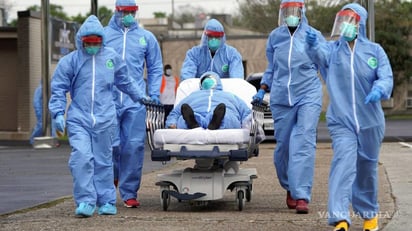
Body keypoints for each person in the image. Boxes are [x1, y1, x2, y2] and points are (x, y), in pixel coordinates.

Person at [305, 3, 393, 231]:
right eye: (342, 20)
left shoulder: (375, 51)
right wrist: (313, 46)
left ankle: (369, 214)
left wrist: (380, 89)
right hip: (341, 120)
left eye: (350, 21)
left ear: (360, 24)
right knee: (343, 164)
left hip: (370, 121)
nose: (346, 25)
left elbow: (386, 76)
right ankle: (340, 217)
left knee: (367, 169)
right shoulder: (333, 50)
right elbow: (319, 54)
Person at [48, 15, 146, 217]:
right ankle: (85, 201)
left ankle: (106, 201)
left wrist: (140, 96)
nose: (93, 45)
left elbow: (125, 81)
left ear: (102, 40)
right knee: (82, 158)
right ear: (81, 41)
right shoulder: (71, 61)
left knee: (103, 161)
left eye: (96, 42)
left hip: (105, 117)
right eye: (88, 42)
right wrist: (58, 112)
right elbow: (58, 88)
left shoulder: (111, 57)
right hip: (79, 118)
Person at [252, 0, 325, 214]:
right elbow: (272, 67)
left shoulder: (313, 35)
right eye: (288, 11)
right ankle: (289, 186)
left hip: (308, 94)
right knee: (283, 147)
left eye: (296, 11)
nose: (291, 15)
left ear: (302, 12)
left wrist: (317, 48)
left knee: (303, 142)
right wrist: (263, 87)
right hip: (281, 97)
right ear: (282, 13)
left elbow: (326, 61)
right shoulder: (276, 36)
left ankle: (301, 194)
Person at [104, 0, 163, 208]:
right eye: (124, 11)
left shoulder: (146, 38)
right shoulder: (104, 36)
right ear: (116, 11)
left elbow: (155, 67)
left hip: (136, 100)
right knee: (109, 145)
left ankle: (129, 192)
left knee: (134, 146)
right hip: (108, 99)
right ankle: (110, 181)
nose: (128, 15)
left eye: (132, 11)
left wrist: (153, 93)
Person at [166, 71, 251, 130]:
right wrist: (171, 124)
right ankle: (193, 121)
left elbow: (246, 112)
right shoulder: (192, 96)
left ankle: (211, 121)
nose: (208, 81)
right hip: (196, 112)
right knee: (183, 119)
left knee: (228, 117)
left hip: (223, 112)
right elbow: (175, 112)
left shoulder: (230, 96)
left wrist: (249, 125)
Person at [180, 19, 244, 81]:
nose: (214, 39)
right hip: (200, 91)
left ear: (222, 37)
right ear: (205, 36)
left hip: (223, 91)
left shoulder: (232, 54)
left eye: (217, 36)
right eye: (210, 36)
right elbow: (187, 78)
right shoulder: (194, 54)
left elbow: (237, 79)